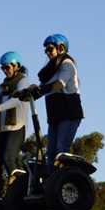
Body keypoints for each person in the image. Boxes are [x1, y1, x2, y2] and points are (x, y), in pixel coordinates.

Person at [18, 34, 83, 172]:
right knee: (51, 153)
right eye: (46, 51)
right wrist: (25, 92)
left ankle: (64, 183)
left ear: (61, 48)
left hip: (69, 113)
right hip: (55, 115)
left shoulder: (67, 64)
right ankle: (50, 184)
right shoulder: (51, 69)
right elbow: (42, 88)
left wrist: (39, 90)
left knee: (61, 150)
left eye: (50, 49)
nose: (48, 53)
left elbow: (59, 84)